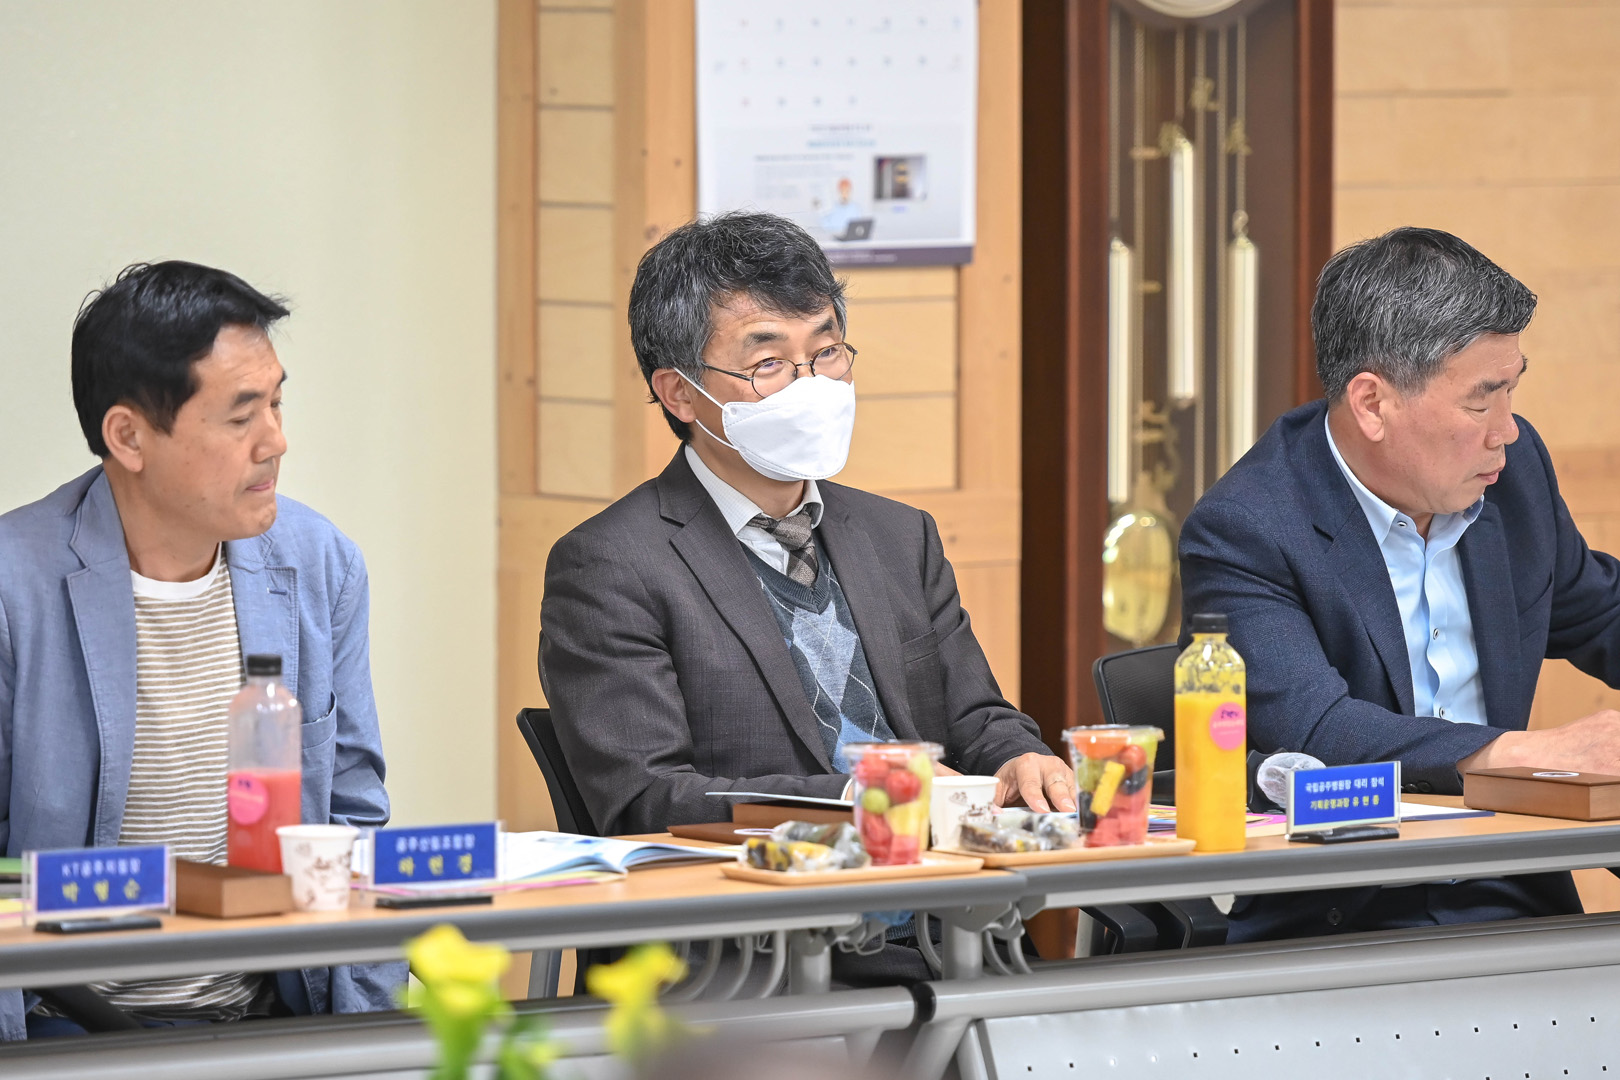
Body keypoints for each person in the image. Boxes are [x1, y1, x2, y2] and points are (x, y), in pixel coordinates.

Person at [539, 211, 1071, 840]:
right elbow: (647, 799)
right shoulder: (611, 565)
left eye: (826, 352)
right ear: (679, 393)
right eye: (768, 363)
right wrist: (863, 797)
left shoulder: (901, 536)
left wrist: (1018, 757)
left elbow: (976, 719)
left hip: (937, 887)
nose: (812, 385)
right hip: (767, 895)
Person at [1180, 226, 1620, 942]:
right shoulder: (1249, 527)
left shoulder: (1512, 478)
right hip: (1344, 915)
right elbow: (1319, 731)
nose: (1506, 430)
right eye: (1481, 401)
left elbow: (1600, 611)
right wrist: (1531, 755)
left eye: (1512, 391)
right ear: (1373, 403)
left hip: (1516, 894)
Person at [0, 261, 401, 1038]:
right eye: (241, 416)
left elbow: (352, 823)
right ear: (129, 436)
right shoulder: (15, 589)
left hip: (270, 1012)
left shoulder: (321, 565)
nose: (276, 440)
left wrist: (371, 1046)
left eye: (277, 403)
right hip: (64, 1024)